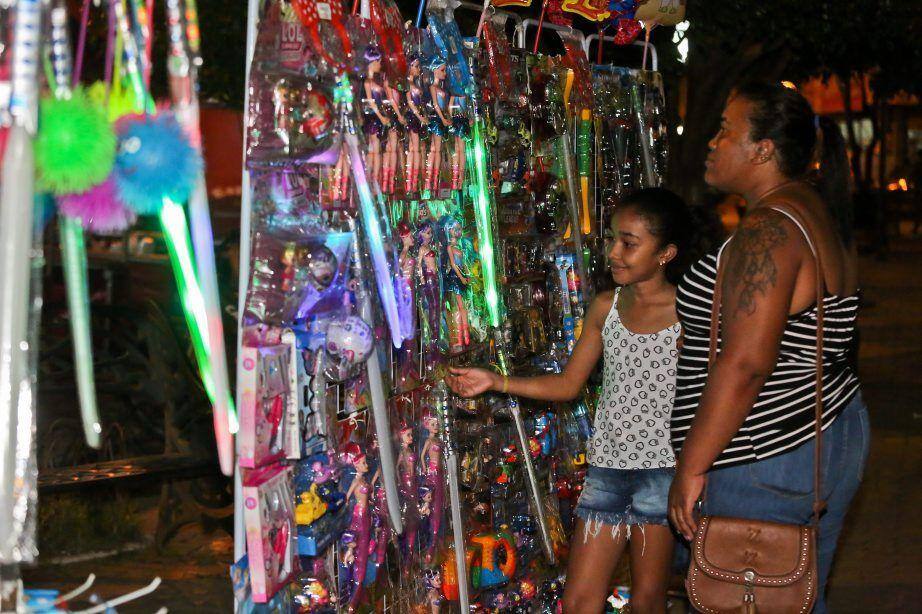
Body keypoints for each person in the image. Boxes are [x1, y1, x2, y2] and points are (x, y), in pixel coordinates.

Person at [447, 188, 706, 614]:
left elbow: (707, 393)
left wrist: (699, 469)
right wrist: (496, 381)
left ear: (666, 253)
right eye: (611, 240)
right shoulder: (607, 307)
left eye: (629, 243)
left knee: (647, 601)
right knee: (580, 601)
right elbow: (569, 384)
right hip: (608, 468)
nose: (614, 253)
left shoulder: (689, 311)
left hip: (665, 473)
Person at [667, 82, 867, 614]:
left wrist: (692, 463)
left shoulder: (769, 229)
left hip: (766, 447)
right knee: (793, 595)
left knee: (742, 599)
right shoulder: (811, 212)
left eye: (724, 130)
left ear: (763, 150)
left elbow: (747, 363)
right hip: (822, 430)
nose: (711, 142)